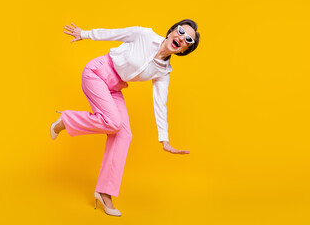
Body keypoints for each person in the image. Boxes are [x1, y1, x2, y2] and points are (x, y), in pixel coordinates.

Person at [50, 19, 200, 216]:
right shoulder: (144, 35)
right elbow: (115, 33)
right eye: (180, 31)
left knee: (124, 135)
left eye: (187, 39)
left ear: (183, 50)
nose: (181, 37)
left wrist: (164, 139)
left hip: (114, 87)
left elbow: (160, 103)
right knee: (113, 122)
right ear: (172, 30)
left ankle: (104, 192)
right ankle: (66, 121)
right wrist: (85, 34)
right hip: (96, 73)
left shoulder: (164, 71)